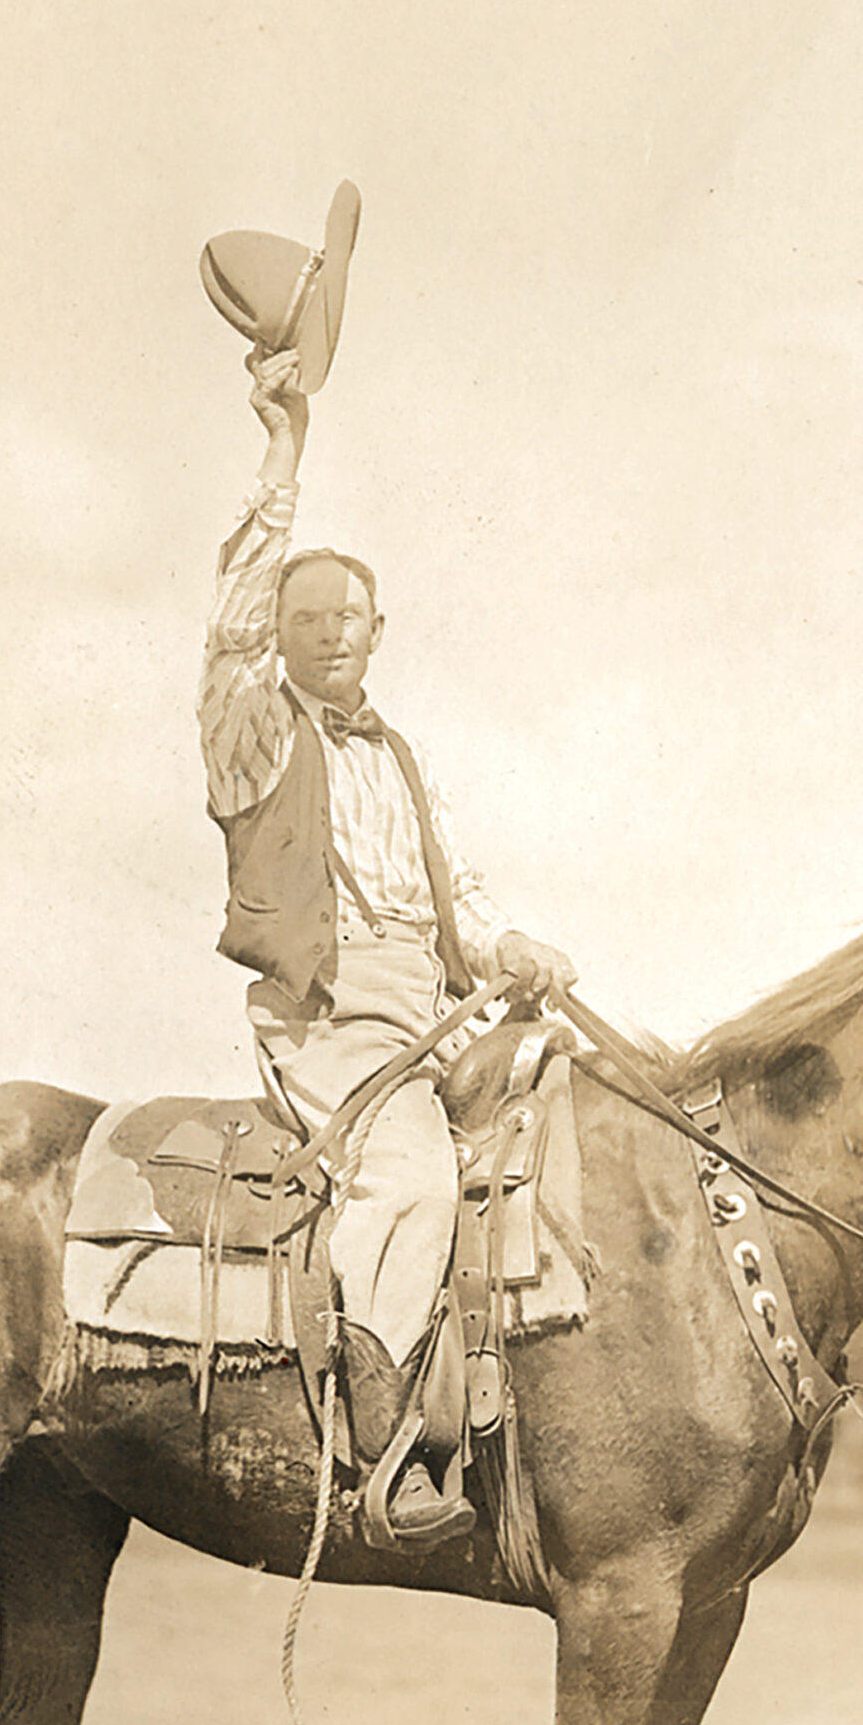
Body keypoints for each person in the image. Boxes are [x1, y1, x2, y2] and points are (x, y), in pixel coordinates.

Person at [197, 347, 574, 1549]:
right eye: (306, 621)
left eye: (346, 620)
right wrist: (282, 450)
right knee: (408, 1178)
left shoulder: (401, 754)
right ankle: (388, 1450)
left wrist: (511, 945)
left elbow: (455, 897)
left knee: (569, 1122)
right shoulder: (253, 732)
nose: (327, 638)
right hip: (331, 1013)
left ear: (377, 631)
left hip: (433, 1008)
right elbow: (231, 634)